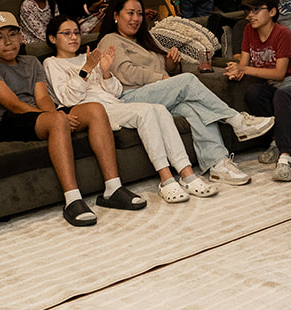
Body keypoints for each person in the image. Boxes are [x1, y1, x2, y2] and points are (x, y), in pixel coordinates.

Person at [0, 12, 146, 227]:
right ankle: (72, 200)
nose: (8, 42)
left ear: (21, 37)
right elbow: (13, 104)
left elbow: (42, 97)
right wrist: (55, 117)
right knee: (59, 120)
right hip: (10, 120)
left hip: (40, 117)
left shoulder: (31, 62)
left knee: (96, 110)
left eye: (13, 34)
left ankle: (113, 189)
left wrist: (55, 113)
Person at [95, 0, 273, 187]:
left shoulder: (144, 41)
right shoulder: (110, 40)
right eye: (130, 13)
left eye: (139, 13)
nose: (136, 18)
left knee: (193, 108)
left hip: (156, 94)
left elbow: (163, 69)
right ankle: (236, 120)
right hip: (130, 97)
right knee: (187, 80)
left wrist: (170, 64)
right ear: (115, 15)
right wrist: (162, 77)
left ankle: (217, 164)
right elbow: (124, 72)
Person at [43, 15, 218, 203]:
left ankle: (187, 173)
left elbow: (116, 91)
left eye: (77, 33)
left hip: (114, 104)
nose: (73, 38)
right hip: (92, 112)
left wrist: (105, 72)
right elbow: (67, 98)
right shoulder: (52, 63)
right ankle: (166, 179)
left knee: (159, 109)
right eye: (66, 33)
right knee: (145, 112)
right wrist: (86, 70)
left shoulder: (90, 57)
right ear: (53, 38)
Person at [225, 0, 291, 184]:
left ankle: (285, 158)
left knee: (281, 95)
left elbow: (279, 73)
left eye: (256, 10)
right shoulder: (249, 30)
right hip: (276, 88)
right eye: (249, 11)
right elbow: (245, 63)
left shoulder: (283, 33)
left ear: (272, 12)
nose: (251, 15)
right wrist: (237, 69)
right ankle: (275, 142)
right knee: (253, 92)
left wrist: (245, 69)